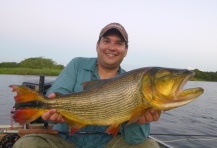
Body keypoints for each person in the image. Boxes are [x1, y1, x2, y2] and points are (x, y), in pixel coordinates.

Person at [13, 23, 160, 148]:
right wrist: (51, 109)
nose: (112, 47)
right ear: (97, 45)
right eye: (107, 41)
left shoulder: (133, 82)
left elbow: (135, 139)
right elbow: (58, 92)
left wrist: (139, 118)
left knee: (150, 146)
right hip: (66, 140)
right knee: (26, 144)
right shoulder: (77, 64)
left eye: (119, 43)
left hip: (109, 144)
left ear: (126, 50)